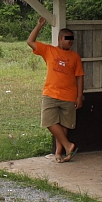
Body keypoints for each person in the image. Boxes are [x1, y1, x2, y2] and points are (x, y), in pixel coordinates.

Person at [27, 16, 84, 162]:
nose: (70, 41)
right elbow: (30, 42)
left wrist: (79, 97)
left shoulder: (75, 56)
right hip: (50, 93)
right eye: (67, 38)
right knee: (48, 121)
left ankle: (60, 153)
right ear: (59, 39)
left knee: (65, 125)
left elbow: (80, 77)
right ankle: (68, 145)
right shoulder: (48, 50)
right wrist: (39, 26)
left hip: (69, 95)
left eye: (72, 39)